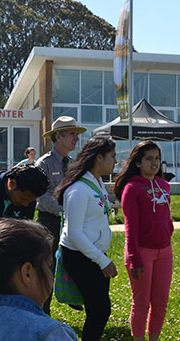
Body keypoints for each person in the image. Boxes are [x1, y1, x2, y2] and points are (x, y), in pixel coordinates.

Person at [55, 136, 118, 341]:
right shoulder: (79, 190)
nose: (115, 161)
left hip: (92, 254)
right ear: (99, 158)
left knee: (97, 310)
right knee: (101, 310)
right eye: (113, 156)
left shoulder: (97, 182)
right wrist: (103, 260)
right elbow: (74, 233)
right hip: (80, 256)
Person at [114, 141, 174, 341]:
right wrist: (134, 258)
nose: (154, 162)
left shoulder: (164, 185)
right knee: (141, 303)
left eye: (157, 158)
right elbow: (130, 226)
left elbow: (167, 216)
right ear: (138, 163)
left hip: (164, 251)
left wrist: (168, 230)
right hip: (141, 252)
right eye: (149, 159)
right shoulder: (131, 188)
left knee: (160, 302)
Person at [35, 115, 86, 314]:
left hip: (70, 221)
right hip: (50, 221)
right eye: (72, 134)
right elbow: (41, 195)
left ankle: (71, 295)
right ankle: (43, 311)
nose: (76, 138)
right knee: (47, 265)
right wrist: (62, 211)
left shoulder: (74, 164)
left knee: (73, 260)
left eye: (76, 134)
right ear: (58, 136)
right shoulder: (44, 164)